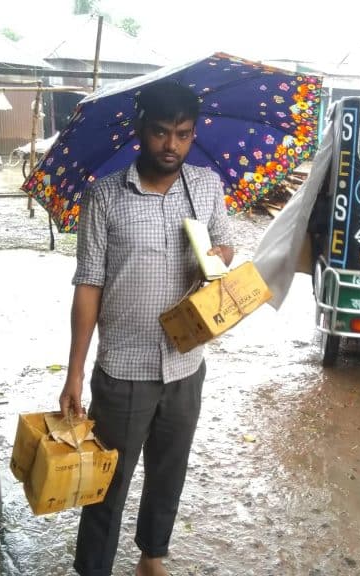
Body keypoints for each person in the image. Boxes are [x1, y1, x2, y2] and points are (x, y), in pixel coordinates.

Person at [59, 82, 234, 576]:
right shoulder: (105, 196)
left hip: (186, 362)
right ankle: (93, 568)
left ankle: (152, 556)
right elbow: (88, 284)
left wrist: (216, 258)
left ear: (192, 134)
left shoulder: (205, 187)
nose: (171, 145)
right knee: (106, 482)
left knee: (168, 472)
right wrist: (74, 373)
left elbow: (226, 246)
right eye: (161, 132)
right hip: (123, 368)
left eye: (182, 134)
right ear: (141, 131)